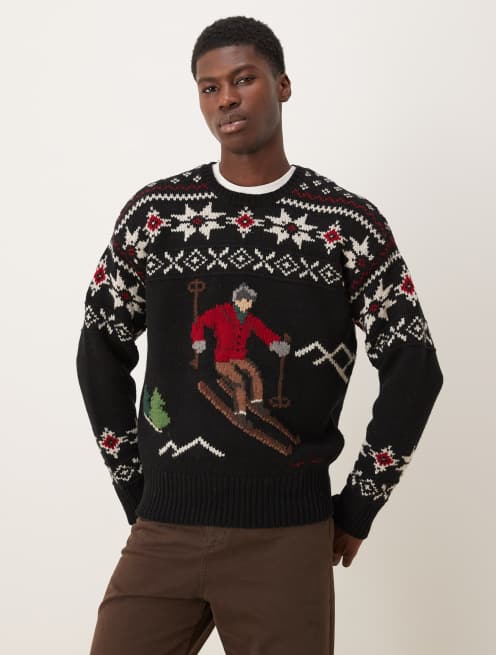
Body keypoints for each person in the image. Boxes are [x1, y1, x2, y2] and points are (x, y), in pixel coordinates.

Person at [76, 15, 444, 655]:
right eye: (209, 87)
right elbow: (98, 350)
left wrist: (360, 503)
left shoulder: (345, 225)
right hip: (164, 529)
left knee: (245, 375)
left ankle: (248, 407)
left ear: (283, 85)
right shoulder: (156, 217)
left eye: (243, 80)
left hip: (287, 538)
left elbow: (415, 366)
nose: (226, 99)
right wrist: (134, 485)